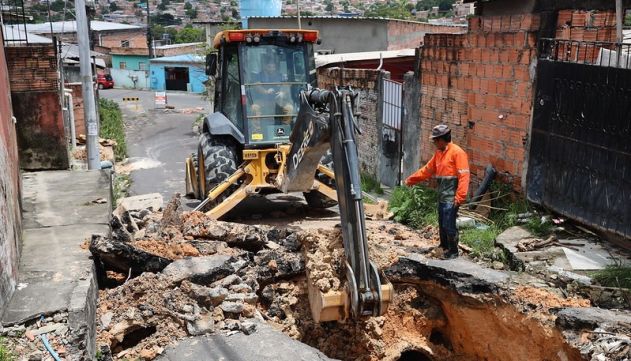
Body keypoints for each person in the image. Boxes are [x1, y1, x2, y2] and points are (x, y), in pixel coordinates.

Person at [405, 124, 470, 259]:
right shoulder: (439, 154)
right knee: (442, 223)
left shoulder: (457, 153)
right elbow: (427, 170)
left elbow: (464, 176)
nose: (434, 143)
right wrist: (411, 180)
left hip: (451, 197)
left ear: (441, 139)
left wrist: (460, 197)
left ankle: (453, 251)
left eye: (435, 140)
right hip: (442, 196)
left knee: (448, 223)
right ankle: (444, 246)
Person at [249, 54, 293, 125]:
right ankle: (257, 133)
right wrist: (266, 91)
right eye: (269, 67)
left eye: (273, 67)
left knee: (289, 108)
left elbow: (287, 85)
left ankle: (285, 127)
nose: (271, 69)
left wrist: (282, 92)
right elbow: (257, 87)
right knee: (255, 108)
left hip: (278, 101)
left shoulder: (281, 76)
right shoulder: (259, 76)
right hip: (263, 101)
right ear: (265, 67)